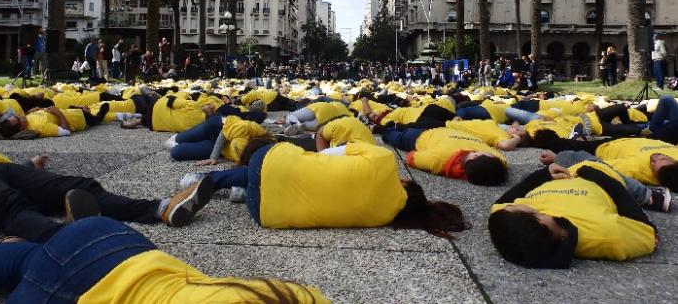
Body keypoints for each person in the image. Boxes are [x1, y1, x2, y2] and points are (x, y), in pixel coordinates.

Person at [0, 217, 329, 303]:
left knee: (39, 260)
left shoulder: (306, 298)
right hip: (86, 284)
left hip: (120, 241)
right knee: (41, 268)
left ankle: (35, 245)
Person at [190, 140, 468, 237]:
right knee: (277, 177)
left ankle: (211, 181)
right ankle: (238, 189)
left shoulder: (383, 160)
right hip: (262, 212)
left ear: (406, 183)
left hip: (267, 164)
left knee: (279, 163)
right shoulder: (382, 219)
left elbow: (331, 154)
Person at [0, 151, 216, 242]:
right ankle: (68, 240)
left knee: (81, 187)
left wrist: (27, 164)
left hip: (0, 169)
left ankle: (161, 208)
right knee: (9, 203)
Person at [488, 161, 657, 268]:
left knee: (558, 156)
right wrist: (596, 175)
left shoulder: (505, 218)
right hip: (600, 172)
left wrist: (543, 174)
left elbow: (503, 201)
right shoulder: (607, 235)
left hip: (563, 171)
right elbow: (646, 230)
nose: (511, 204)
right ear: (540, 219)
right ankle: (649, 196)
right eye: (513, 207)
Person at [534, 136, 678, 192]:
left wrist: (559, 158)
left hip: (605, 146)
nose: (654, 158)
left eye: (653, 165)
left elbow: (595, 165)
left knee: (558, 143)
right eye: (662, 158)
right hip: (640, 137)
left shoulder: (635, 169)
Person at [381, 126, 508, 186]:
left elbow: (412, 157)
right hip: (441, 130)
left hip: (420, 136)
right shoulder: (495, 160)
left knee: (394, 136)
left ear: (474, 157)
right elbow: (500, 163)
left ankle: (384, 129)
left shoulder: (437, 160)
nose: (493, 152)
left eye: (489, 154)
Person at [168, 114, 270, 162]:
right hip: (218, 127)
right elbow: (223, 134)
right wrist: (213, 157)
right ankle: (179, 138)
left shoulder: (258, 159)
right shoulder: (247, 128)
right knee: (179, 139)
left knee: (176, 152)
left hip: (222, 149)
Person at [0, 105, 109, 138]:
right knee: (97, 119)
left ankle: (83, 108)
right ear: (20, 128)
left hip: (69, 111)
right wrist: (58, 112)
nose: (18, 116)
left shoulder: (27, 119)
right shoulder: (41, 127)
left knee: (75, 106)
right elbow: (66, 131)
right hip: (80, 119)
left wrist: (31, 111)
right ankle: (98, 114)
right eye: (17, 118)